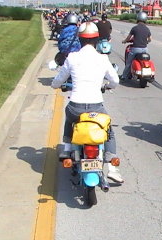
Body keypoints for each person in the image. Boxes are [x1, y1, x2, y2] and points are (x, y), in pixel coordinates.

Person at [51, 22, 124, 183]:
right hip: (96, 107)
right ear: (97, 39)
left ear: (80, 39)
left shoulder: (72, 57)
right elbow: (115, 81)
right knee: (108, 132)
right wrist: (106, 86)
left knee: (69, 119)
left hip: (76, 106)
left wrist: (56, 85)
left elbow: (58, 81)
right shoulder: (103, 58)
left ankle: (68, 148)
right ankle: (112, 167)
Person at [121, 11, 151, 81]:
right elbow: (150, 39)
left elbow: (128, 38)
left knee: (129, 62)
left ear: (138, 18)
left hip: (136, 49)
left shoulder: (134, 28)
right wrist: (146, 41)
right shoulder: (147, 29)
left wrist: (125, 41)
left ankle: (124, 76)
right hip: (145, 49)